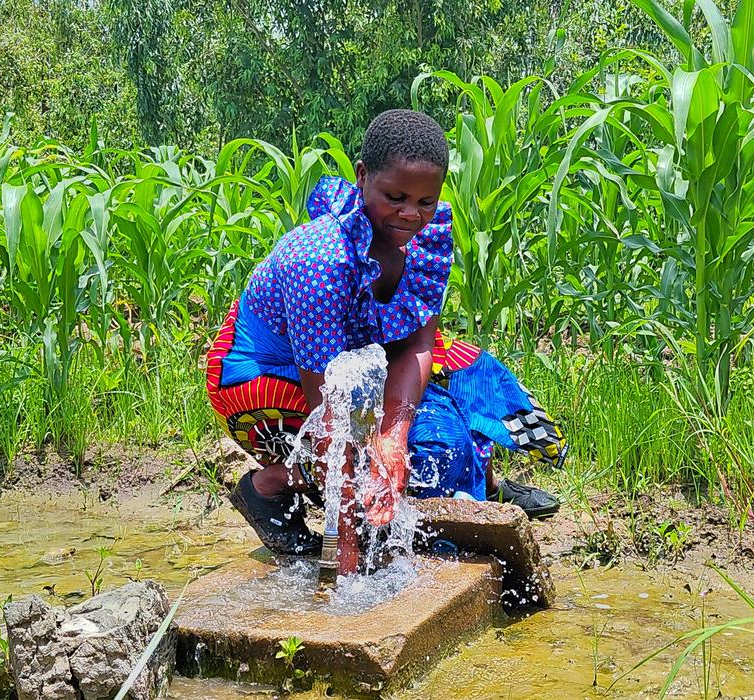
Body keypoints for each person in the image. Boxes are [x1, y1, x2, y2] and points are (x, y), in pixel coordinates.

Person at [204, 109, 564, 556]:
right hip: (265, 377)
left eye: (424, 201)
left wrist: (393, 435)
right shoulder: (319, 262)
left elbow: (417, 344)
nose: (411, 214)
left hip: (358, 356)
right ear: (361, 176)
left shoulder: (427, 238)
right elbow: (332, 418)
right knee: (423, 449)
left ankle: (479, 480)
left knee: (474, 374)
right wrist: (344, 558)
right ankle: (272, 486)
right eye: (395, 196)